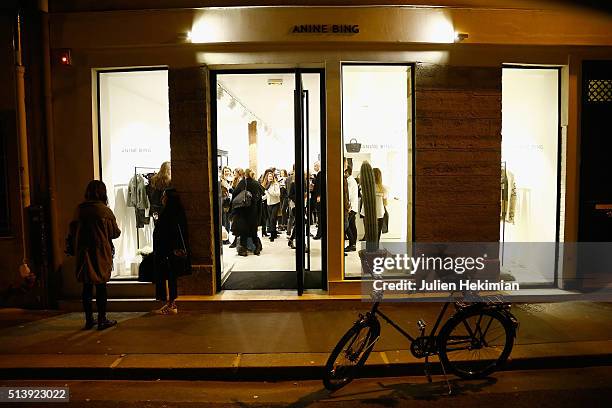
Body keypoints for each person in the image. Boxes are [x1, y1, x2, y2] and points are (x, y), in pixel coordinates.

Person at [66, 180, 121, 330]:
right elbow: (115, 233)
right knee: (101, 286)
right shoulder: (104, 211)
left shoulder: (79, 210)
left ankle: (89, 319)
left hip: (83, 253)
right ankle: (102, 319)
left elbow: (71, 232)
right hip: (101, 252)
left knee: (87, 287)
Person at [153, 188, 190, 315]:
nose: (162, 198)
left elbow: (166, 233)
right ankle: (170, 302)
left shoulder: (168, 213)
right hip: (173, 251)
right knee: (172, 277)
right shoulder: (177, 211)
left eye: (164, 196)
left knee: (169, 277)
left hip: (168, 251)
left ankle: (171, 303)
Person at [231, 169, 264, 256]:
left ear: (245, 174)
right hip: (254, 210)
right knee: (253, 231)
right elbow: (261, 196)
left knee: (243, 231)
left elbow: (235, 193)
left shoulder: (243, 182)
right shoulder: (256, 183)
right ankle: (257, 248)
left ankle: (243, 250)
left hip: (243, 209)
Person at [360, 168, 388, 243]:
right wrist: (379, 194)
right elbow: (385, 198)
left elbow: (362, 194)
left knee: (369, 234)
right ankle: (375, 249)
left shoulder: (365, 187)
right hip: (379, 213)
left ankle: (370, 249)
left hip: (367, 213)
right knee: (377, 234)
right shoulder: (384, 188)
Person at [263, 170, 281, 241]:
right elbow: (267, 195)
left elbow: (278, 194)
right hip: (269, 204)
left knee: (273, 219)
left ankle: (272, 236)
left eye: (271, 176)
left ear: (273, 177)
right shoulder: (267, 185)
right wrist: (261, 198)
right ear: (267, 177)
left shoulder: (276, 184)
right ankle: (274, 233)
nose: (270, 178)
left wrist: (269, 191)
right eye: (268, 176)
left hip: (275, 203)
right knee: (270, 220)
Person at [228, 168, 244, 248]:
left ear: (239, 173)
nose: (234, 174)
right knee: (235, 223)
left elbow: (236, 192)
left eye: (235, 173)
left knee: (237, 223)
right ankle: (235, 241)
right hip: (235, 203)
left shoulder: (241, 181)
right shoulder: (235, 180)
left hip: (239, 205)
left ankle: (236, 241)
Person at [345, 165, 359, 252]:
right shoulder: (352, 180)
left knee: (346, 225)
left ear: (347, 172)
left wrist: (348, 206)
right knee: (352, 225)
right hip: (353, 206)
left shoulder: (349, 181)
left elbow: (348, 194)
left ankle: (352, 244)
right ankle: (353, 244)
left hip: (350, 206)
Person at [311, 161, 323, 240]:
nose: (314, 168)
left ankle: (319, 234)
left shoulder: (320, 174)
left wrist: (318, 196)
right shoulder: (320, 174)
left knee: (320, 216)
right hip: (319, 198)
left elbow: (319, 186)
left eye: (315, 166)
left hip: (319, 199)